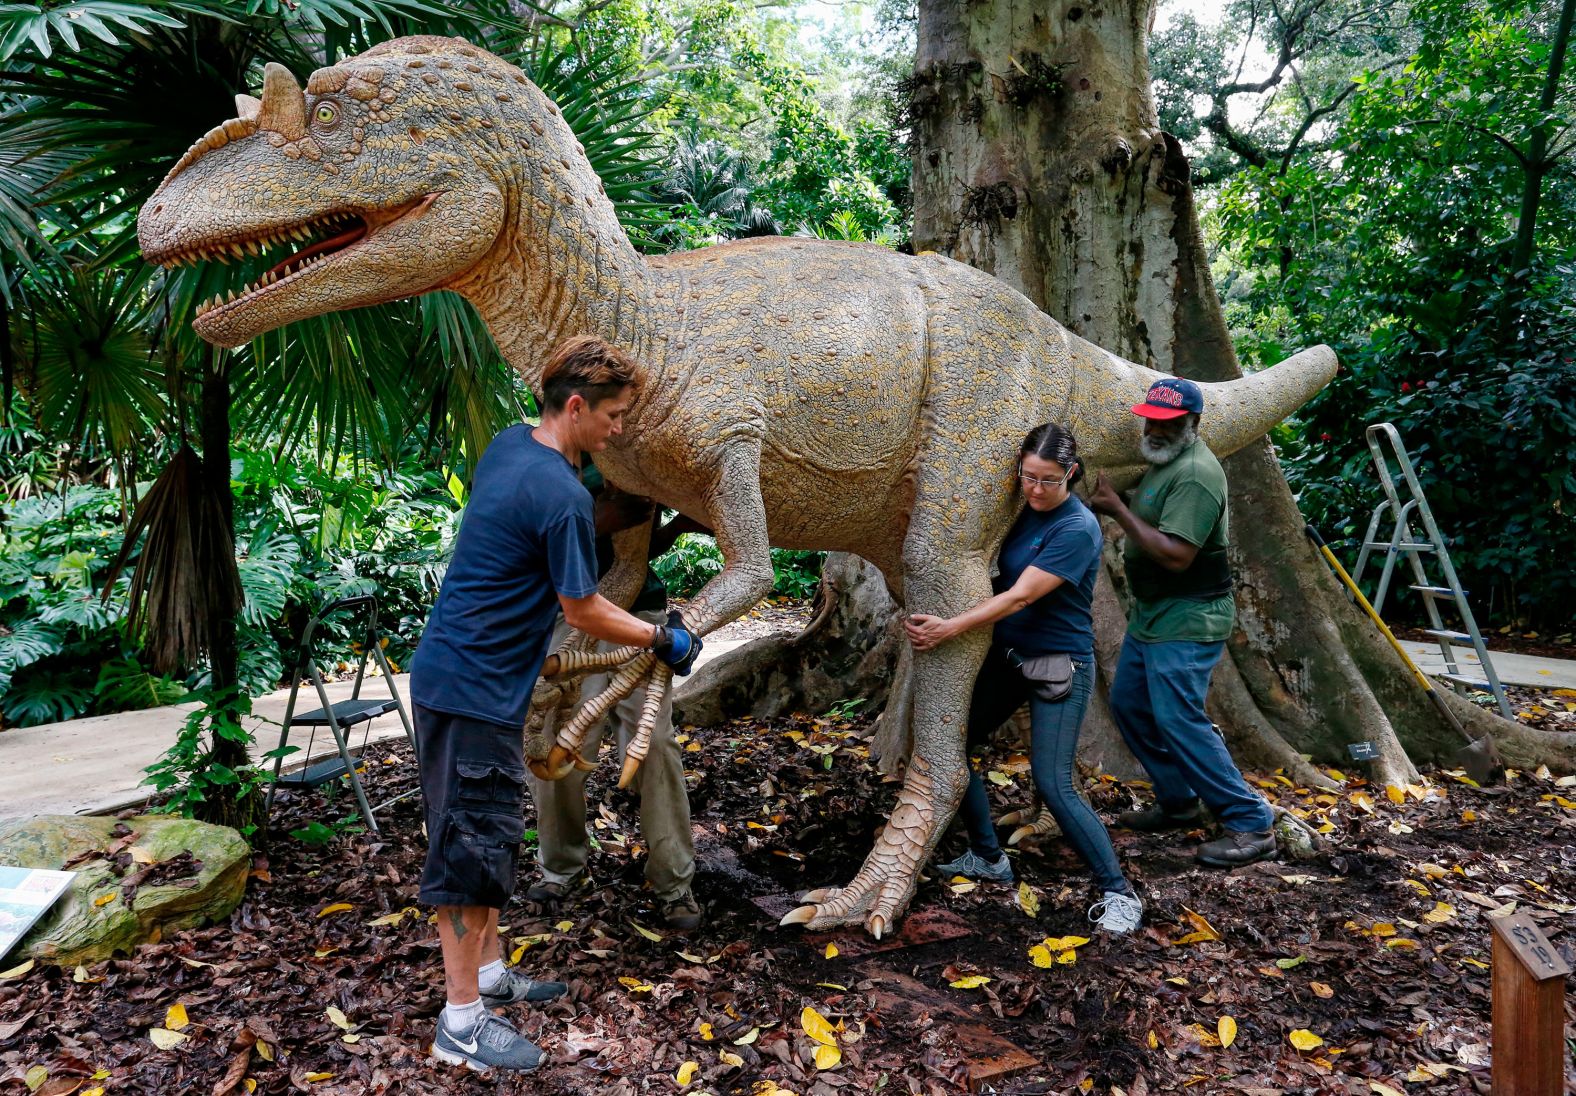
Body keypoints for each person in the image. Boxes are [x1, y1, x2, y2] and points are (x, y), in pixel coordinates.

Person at [409, 335, 703, 1075]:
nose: (620, 430)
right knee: (469, 853)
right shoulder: (564, 495)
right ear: (575, 407)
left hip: (469, 679)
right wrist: (661, 637)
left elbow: (511, 553)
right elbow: (584, 605)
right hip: (470, 691)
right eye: (613, 415)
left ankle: (489, 976)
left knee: (490, 833)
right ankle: (462, 1024)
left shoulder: (513, 447)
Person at [906, 423, 1144, 935]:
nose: (1035, 489)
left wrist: (950, 628)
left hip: (1061, 665)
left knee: (1054, 785)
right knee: (952, 746)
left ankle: (1119, 892)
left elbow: (1019, 596)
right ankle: (988, 856)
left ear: (1071, 475)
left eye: (1049, 481)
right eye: (1028, 477)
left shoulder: (1077, 528)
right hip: (1011, 657)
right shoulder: (1019, 513)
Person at [1087, 376, 1277, 868]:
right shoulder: (1162, 462)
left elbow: (1176, 555)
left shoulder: (1196, 474)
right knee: (1130, 703)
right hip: (1154, 614)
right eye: (1151, 419)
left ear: (1193, 424)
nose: (1155, 429)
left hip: (1189, 615)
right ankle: (1178, 801)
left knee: (1178, 717)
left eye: (1169, 424)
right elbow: (1157, 517)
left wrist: (1116, 512)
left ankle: (1251, 823)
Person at [524, 471, 703, 931]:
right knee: (555, 743)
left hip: (637, 617)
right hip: (568, 616)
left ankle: (674, 883)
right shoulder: (551, 459)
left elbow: (634, 557)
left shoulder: (638, 453)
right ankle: (561, 867)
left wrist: (675, 528)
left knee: (654, 747)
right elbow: (528, 544)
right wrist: (596, 520)